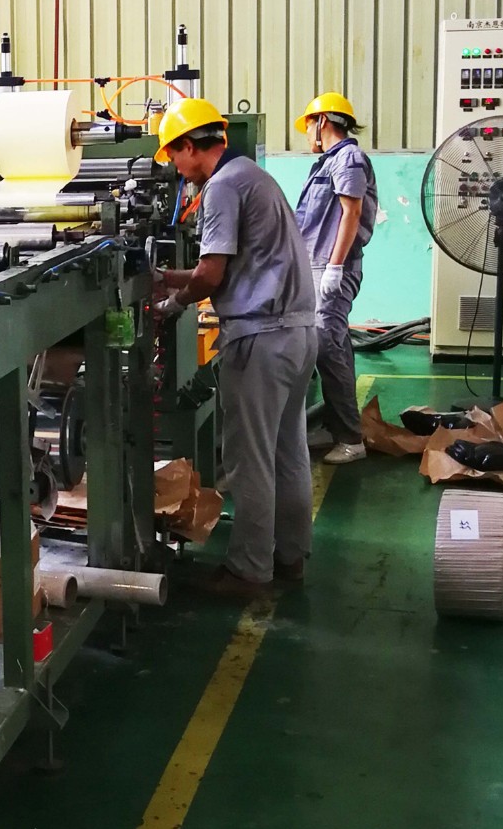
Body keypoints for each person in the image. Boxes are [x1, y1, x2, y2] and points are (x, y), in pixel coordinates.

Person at [152, 98, 319, 598]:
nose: (174, 167)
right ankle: (290, 557)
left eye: (172, 155)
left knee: (250, 461)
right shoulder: (253, 176)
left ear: (189, 146)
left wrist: (168, 299)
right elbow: (228, 266)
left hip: (260, 340)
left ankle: (249, 570)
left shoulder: (222, 186)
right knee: (289, 453)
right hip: (298, 334)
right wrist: (170, 281)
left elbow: (211, 274)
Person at [293, 91, 378, 464]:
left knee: (329, 347)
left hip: (331, 269)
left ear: (322, 122)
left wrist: (335, 266)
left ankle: (350, 439)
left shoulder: (348, 159)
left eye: (308, 125)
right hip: (317, 266)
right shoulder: (328, 162)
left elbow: (351, 212)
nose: (307, 133)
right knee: (330, 346)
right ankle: (335, 426)